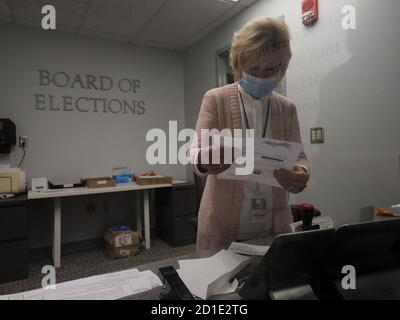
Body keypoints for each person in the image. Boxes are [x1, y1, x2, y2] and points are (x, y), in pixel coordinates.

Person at [189, 17, 310, 251]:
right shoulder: (216, 98)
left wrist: (301, 172)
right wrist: (207, 160)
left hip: (274, 224)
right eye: (254, 68)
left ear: (281, 67)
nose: (263, 76)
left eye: (271, 70)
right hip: (221, 226)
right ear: (239, 62)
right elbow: (194, 154)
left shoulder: (287, 108)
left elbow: (300, 156)